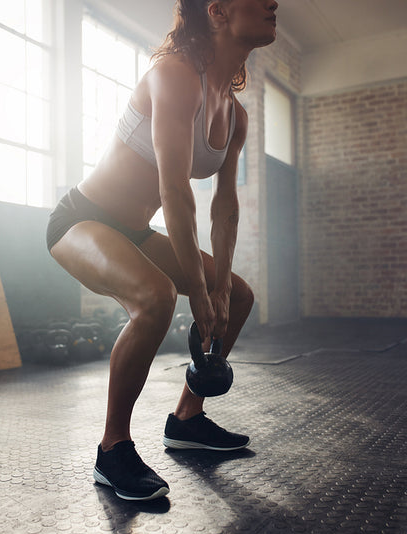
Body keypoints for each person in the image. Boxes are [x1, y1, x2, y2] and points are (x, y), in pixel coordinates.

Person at [46, 0, 278, 501]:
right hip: (81, 219)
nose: (273, 3)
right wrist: (197, 292)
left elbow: (225, 209)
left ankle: (188, 418)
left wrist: (217, 287)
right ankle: (112, 450)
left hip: (135, 229)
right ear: (217, 11)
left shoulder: (234, 114)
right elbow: (175, 191)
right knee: (156, 295)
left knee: (236, 296)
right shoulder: (173, 75)